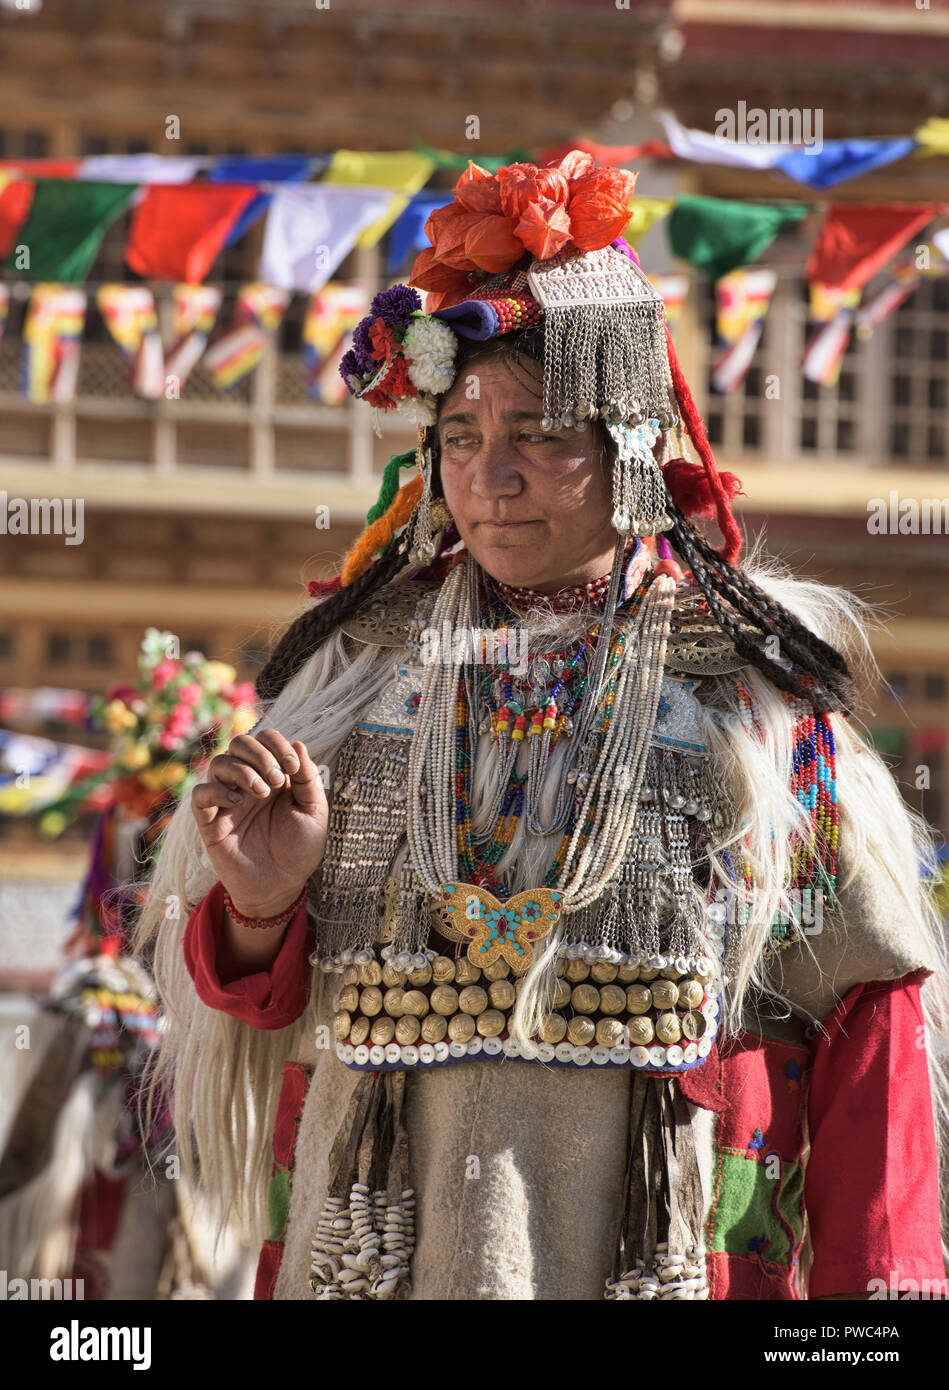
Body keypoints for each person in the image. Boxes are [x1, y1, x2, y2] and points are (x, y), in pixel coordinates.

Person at [135, 153, 948, 1301]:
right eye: (460, 438)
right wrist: (262, 908)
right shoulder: (353, 686)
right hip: (380, 1252)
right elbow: (258, 1003)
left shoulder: (753, 713)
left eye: (540, 435)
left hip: (645, 1250)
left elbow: (868, 1017)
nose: (493, 476)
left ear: (628, 455)